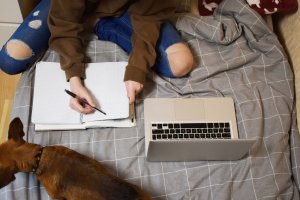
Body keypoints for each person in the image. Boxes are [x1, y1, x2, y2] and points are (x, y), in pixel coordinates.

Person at [0, 0, 194, 115]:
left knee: (181, 63)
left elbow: (148, 17)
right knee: (11, 58)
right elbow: (65, 23)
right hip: (68, 7)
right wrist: (75, 80)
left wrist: (137, 68)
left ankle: (97, 23)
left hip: (129, 8)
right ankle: (90, 19)